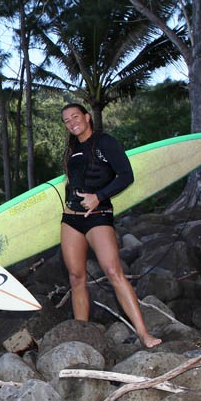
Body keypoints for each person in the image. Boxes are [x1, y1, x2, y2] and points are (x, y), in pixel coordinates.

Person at [59, 103, 161, 348]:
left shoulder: (105, 142)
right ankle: (82, 338)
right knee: (76, 277)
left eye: (75, 116)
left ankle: (144, 334)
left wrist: (99, 196)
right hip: (71, 218)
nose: (72, 122)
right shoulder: (72, 149)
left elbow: (126, 175)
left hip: (99, 215)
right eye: (66, 120)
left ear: (87, 117)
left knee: (113, 272)